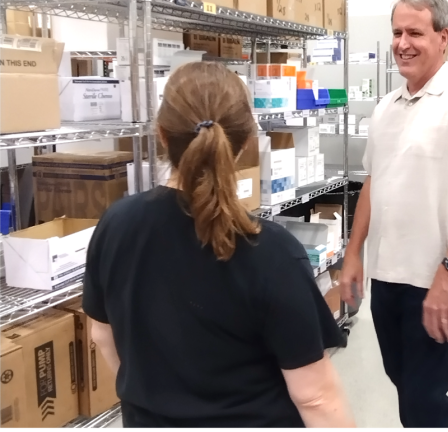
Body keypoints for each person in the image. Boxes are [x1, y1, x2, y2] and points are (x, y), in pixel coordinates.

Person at [83, 62, 356, 429]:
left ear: (161, 135)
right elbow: (315, 396)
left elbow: (102, 334)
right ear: (244, 144)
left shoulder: (116, 225)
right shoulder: (272, 253)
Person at [337, 0, 448, 428]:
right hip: (387, 276)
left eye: (415, 31)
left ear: (444, 37)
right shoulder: (385, 109)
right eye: (396, 32)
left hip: (434, 280)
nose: (402, 43)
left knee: (425, 399)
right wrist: (354, 254)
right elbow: (373, 184)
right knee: (402, 382)